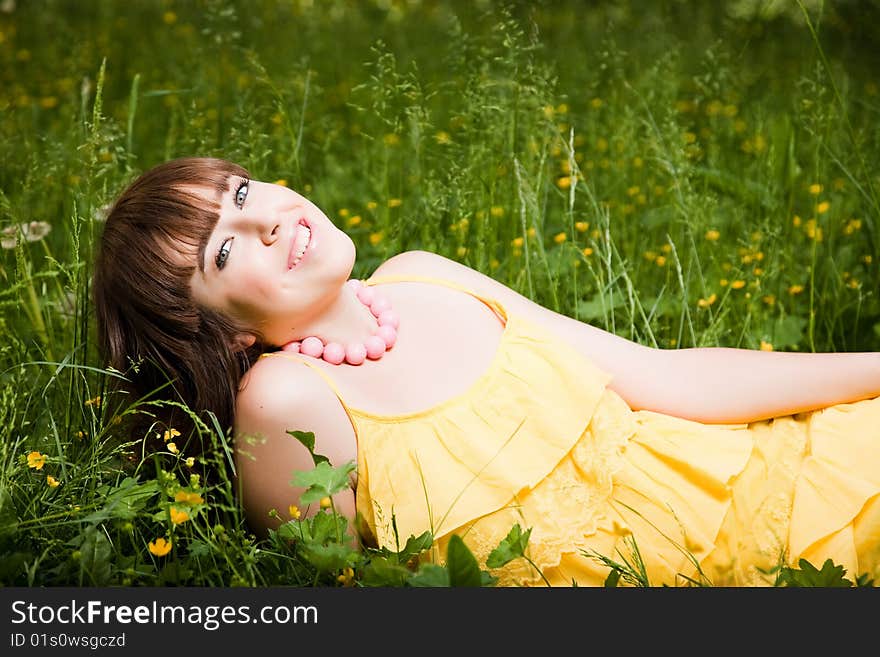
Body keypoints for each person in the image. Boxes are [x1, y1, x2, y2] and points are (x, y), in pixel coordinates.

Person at [92, 156, 880, 587]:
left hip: (735, 482)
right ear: (221, 336)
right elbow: (338, 592)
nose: (266, 217)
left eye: (242, 191)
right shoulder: (289, 397)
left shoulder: (422, 275)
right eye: (225, 249)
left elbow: (662, 376)